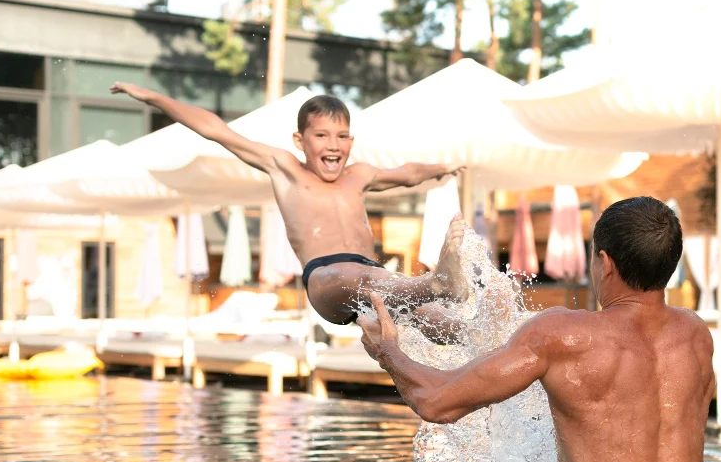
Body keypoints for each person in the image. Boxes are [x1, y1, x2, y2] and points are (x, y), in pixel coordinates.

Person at [358, 196, 721, 462]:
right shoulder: (696, 337)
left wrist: (389, 353)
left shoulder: (563, 335)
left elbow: (435, 401)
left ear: (604, 262)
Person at [110, 82, 466, 328]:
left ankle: (484, 334)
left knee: (443, 325)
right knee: (368, 279)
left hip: (373, 279)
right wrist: (153, 97)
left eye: (342, 136)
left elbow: (407, 173)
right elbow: (216, 130)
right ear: (300, 140)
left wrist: (443, 168)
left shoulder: (359, 175)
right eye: (322, 135)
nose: (334, 144)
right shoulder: (286, 170)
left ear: (351, 140)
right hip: (326, 279)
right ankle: (435, 284)